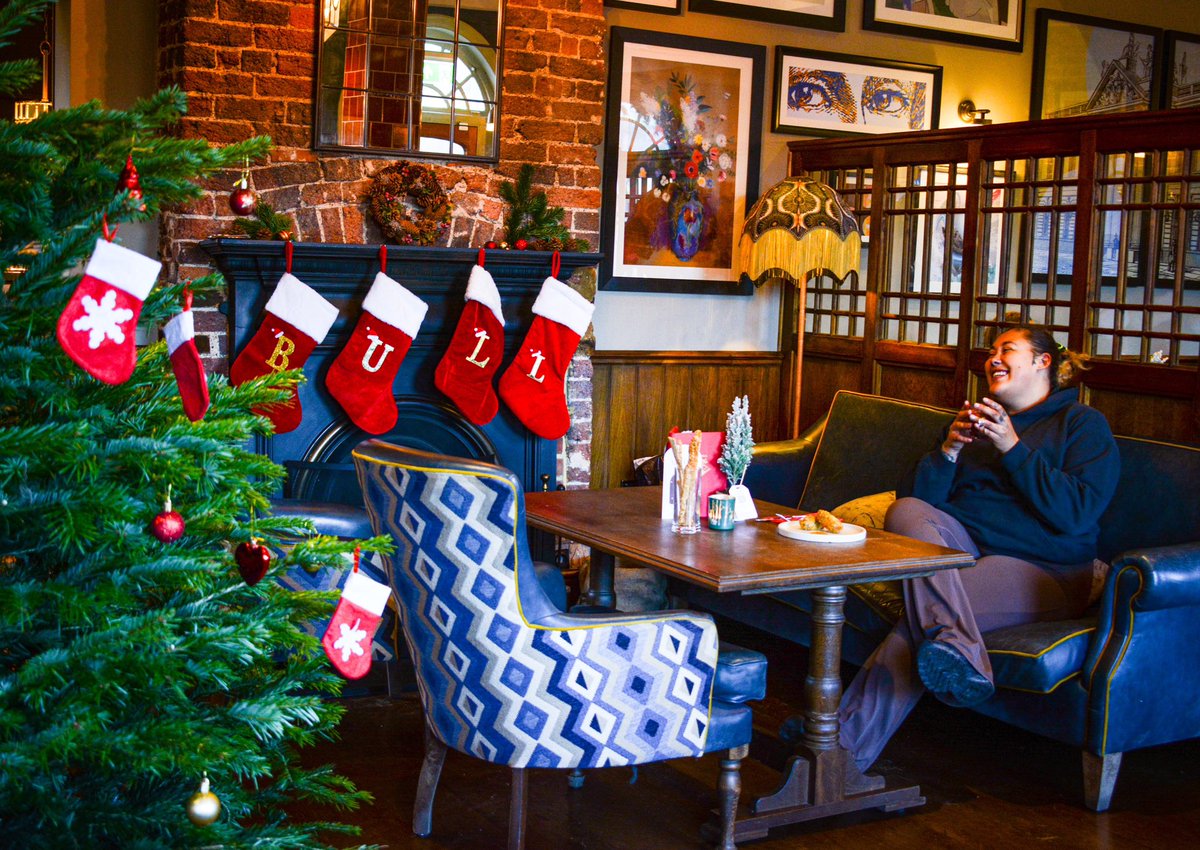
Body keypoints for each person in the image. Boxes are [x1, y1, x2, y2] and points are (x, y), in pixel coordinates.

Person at [837, 324, 1121, 777]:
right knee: (906, 509)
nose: (993, 358)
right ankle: (961, 649)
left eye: (1007, 349)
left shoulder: (1082, 424)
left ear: (1042, 362)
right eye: (991, 350)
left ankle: (839, 752)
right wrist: (948, 451)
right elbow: (921, 505)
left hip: (1042, 568)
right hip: (965, 553)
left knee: (920, 625)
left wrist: (1011, 446)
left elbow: (1075, 513)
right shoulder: (977, 421)